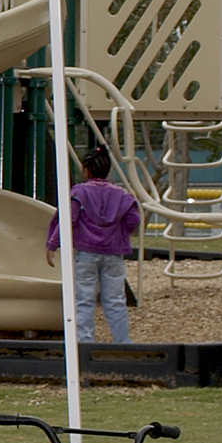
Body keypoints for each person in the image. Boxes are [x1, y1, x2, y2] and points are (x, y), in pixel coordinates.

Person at [47, 145, 141, 343]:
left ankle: (84, 342)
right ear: (107, 170)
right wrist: (119, 234)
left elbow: (68, 220)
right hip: (113, 254)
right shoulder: (121, 194)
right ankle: (123, 343)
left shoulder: (79, 193)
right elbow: (134, 219)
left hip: (85, 253)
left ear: (86, 170)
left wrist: (52, 244)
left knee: (83, 300)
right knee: (115, 300)